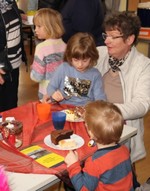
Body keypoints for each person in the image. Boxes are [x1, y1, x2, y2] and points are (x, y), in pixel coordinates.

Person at [96, 11, 150, 189]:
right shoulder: (100, 54)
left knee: (122, 179)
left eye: (113, 37)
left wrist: (107, 111)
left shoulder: (143, 65)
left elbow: (142, 105)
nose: (106, 41)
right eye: (106, 35)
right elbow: (75, 66)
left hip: (121, 130)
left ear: (129, 39)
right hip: (93, 125)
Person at [65, 100, 133, 191]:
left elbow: (83, 189)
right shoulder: (124, 149)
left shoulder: (95, 162)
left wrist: (73, 165)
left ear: (91, 133)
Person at [43, 32, 106, 106]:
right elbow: (51, 87)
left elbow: (100, 97)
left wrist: (100, 105)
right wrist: (53, 93)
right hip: (63, 109)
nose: (80, 64)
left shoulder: (95, 74)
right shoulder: (63, 68)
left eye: (85, 60)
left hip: (85, 111)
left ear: (92, 58)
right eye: (76, 60)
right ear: (69, 56)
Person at [30, 8, 66, 100]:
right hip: (62, 93)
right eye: (35, 26)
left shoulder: (41, 48)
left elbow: (37, 77)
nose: (35, 30)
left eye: (39, 26)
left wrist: (33, 69)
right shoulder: (65, 45)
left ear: (50, 26)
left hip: (46, 94)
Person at [0, 0, 27, 112]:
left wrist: (20, 14)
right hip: (2, 68)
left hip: (13, 66)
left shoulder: (9, 3)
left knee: (11, 109)